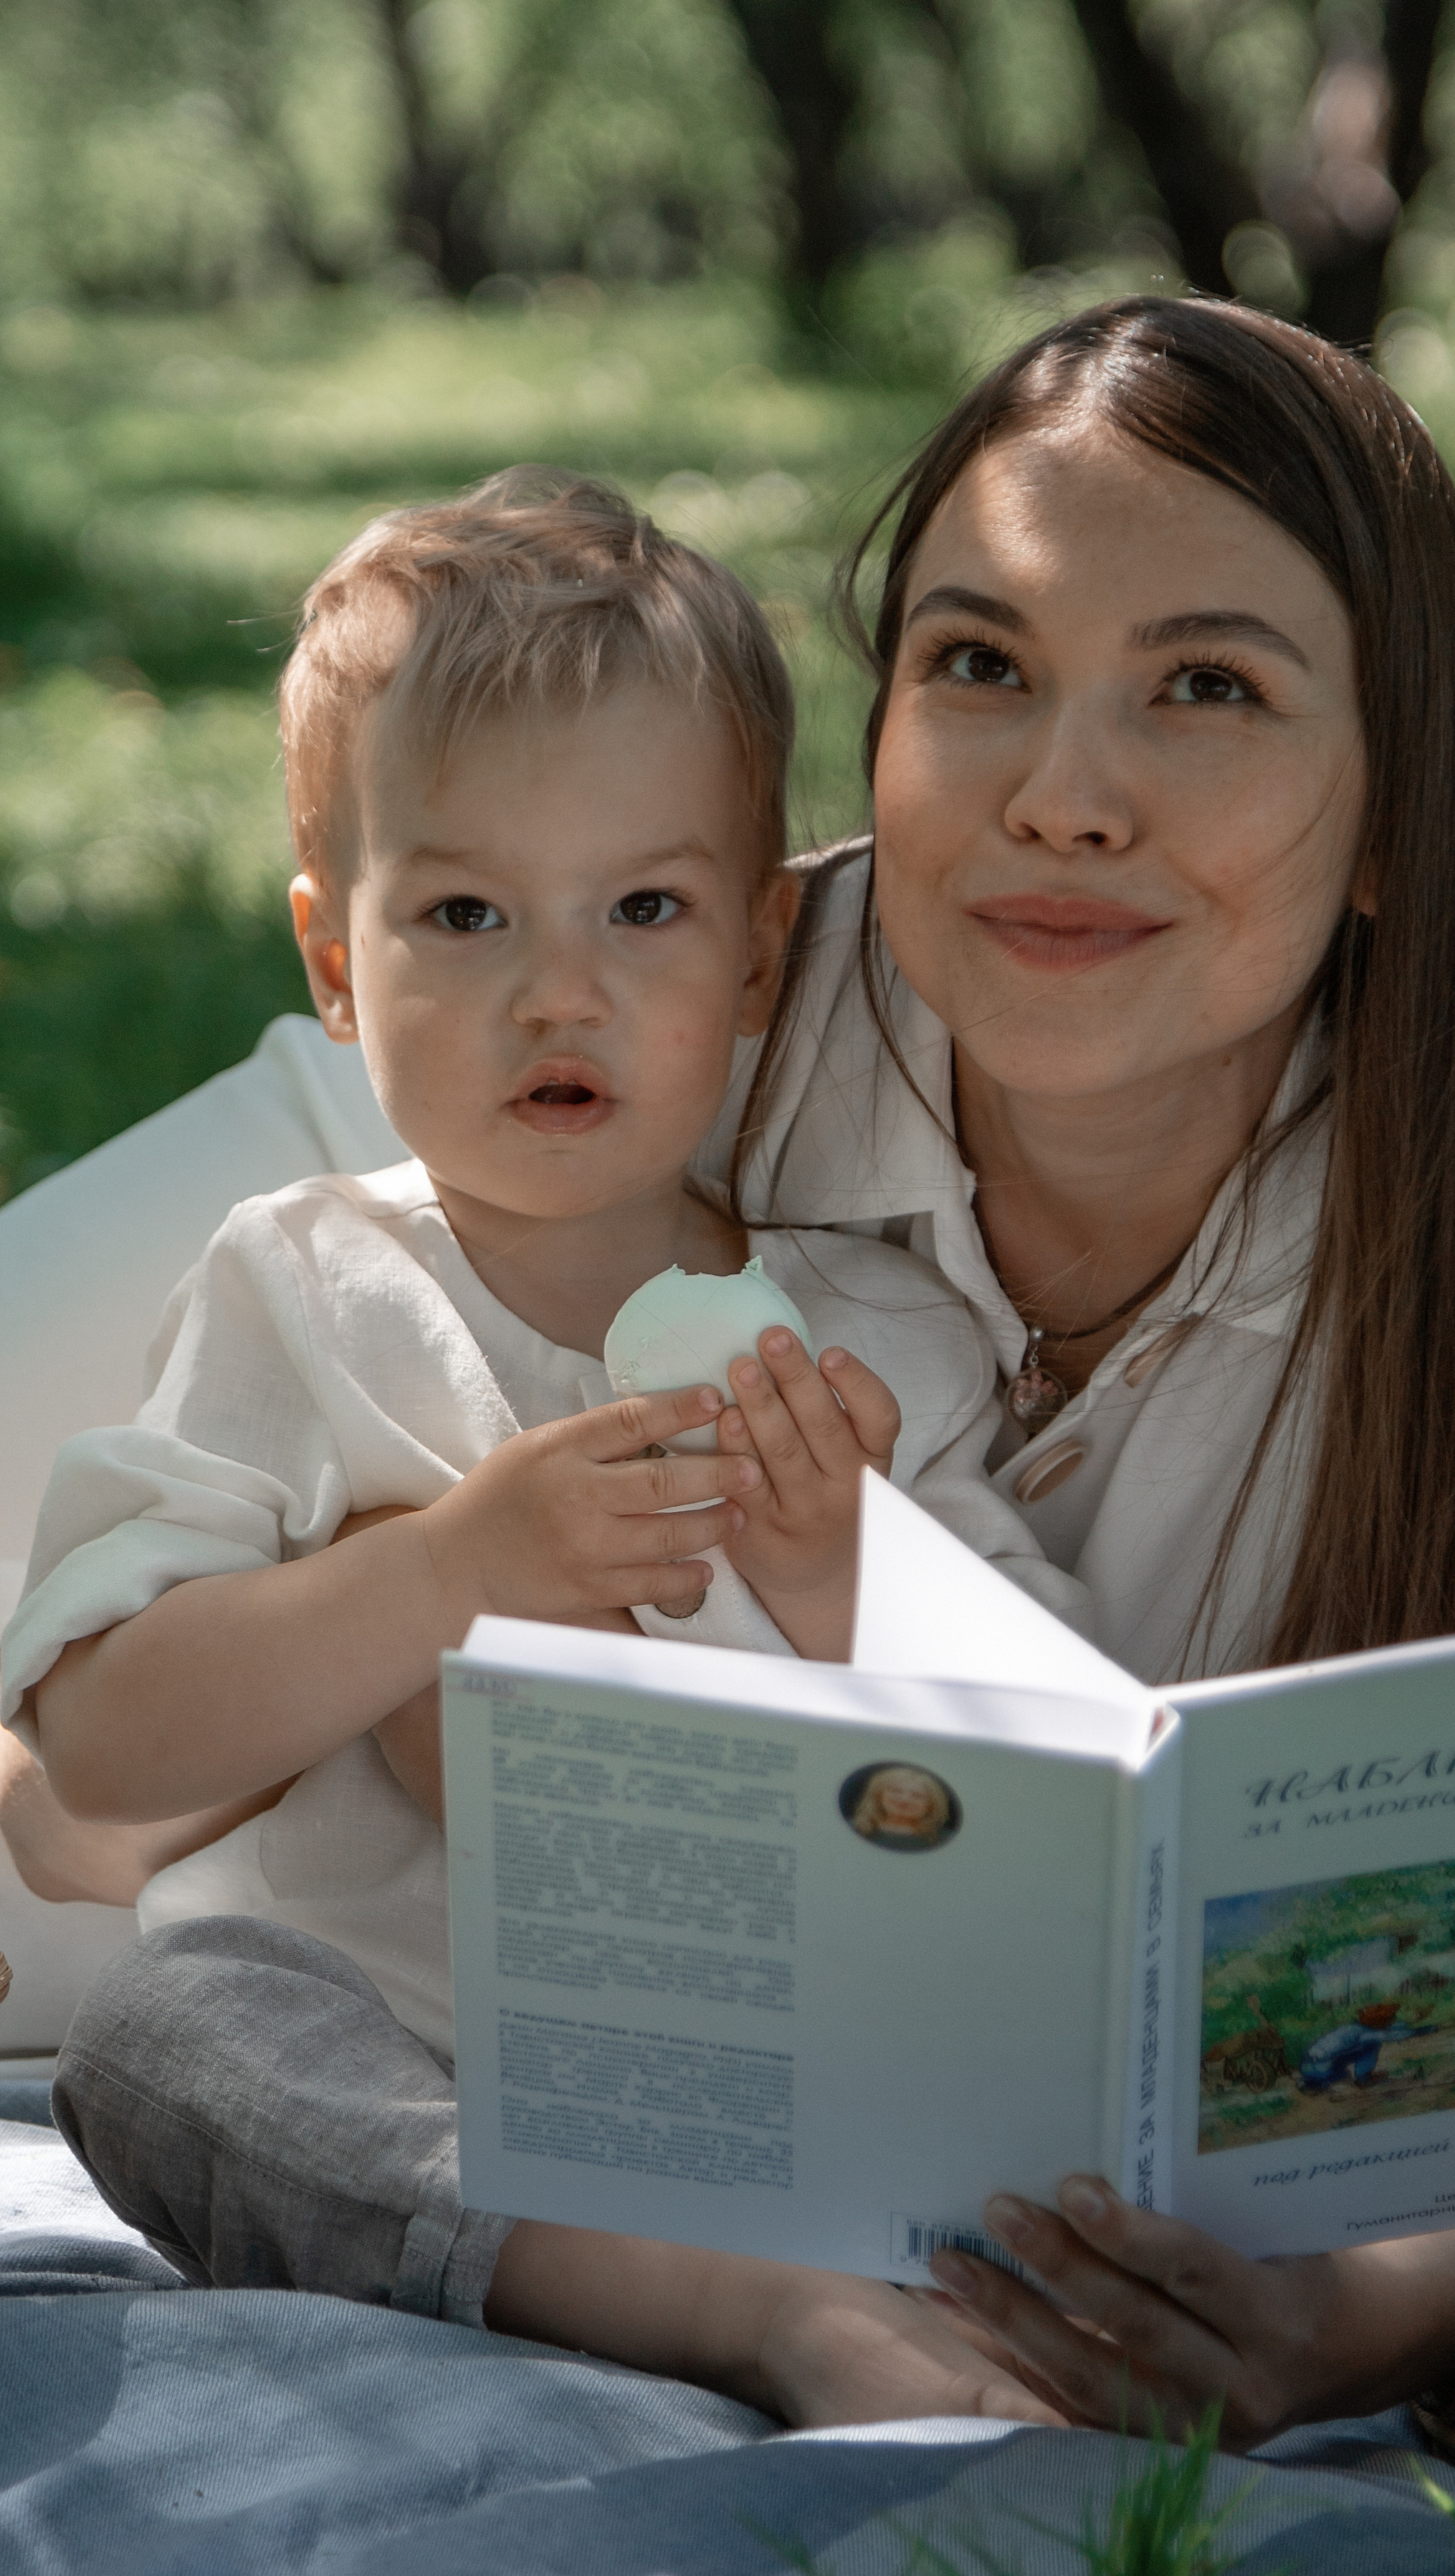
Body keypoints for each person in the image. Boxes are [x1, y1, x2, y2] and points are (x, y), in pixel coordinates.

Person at [7, 295, 1455, 2460]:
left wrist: (1358, 2308)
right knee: (163, 2020)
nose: (1062, 798)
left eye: (1205, 688)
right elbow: (58, 1804)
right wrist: (430, 1591)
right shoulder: (563, 1049)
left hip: (893, 2109)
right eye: (978, 663)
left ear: (1385, 818)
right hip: (335, 1969)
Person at [3, 467, 1083, 2432]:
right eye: (467, 911)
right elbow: (90, 1751)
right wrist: (441, 1574)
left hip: (779, 2053)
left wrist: (849, 1576)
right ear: (338, 963)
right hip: (421, 2085)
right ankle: (727, 2310)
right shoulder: (303, 1292)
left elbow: (1068, 1777)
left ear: (759, 958)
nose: (558, 987)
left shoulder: (880, 1332)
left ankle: (799, 2270)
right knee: (169, 2029)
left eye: (647, 909)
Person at [1296, 2006, 1436, 2094]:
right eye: (1391, 2020)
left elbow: (1391, 2029)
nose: (1393, 2022)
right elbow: (1393, 2034)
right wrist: (1427, 2029)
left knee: (1345, 2055)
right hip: (1324, 2068)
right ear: (1380, 2022)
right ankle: (1363, 2079)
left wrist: (1414, 2020)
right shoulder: (1367, 2034)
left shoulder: (1353, 2029)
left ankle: (1312, 2082)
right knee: (1373, 2046)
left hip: (1308, 2066)